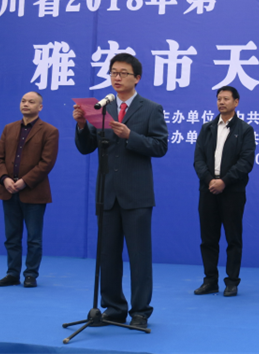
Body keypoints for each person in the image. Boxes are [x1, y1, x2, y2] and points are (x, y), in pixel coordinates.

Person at [73, 53, 168, 329]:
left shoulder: (151, 109)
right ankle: (114, 308)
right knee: (108, 255)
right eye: (113, 72)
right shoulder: (103, 108)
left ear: (137, 78)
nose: (117, 77)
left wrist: (130, 136)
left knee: (139, 257)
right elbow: (86, 147)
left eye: (123, 73)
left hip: (137, 195)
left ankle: (140, 312)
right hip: (107, 194)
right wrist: (82, 125)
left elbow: (160, 146)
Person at [193, 85, 255, 297]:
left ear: (236, 102)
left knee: (233, 238)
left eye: (226, 98)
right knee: (208, 239)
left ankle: (232, 282)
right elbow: (198, 159)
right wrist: (210, 180)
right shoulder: (207, 128)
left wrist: (224, 181)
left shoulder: (245, 130)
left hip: (232, 192)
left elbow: (246, 162)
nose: (221, 102)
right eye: (219, 98)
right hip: (208, 190)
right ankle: (210, 280)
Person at [0, 91, 59, 288]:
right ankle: (12, 273)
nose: (26, 104)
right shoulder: (9, 128)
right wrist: (4, 179)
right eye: (23, 101)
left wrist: (24, 182)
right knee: (12, 237)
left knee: (34, 239)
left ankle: (30, 274)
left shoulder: (49, 131)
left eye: (31, 102)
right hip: (8, 191)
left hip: (34, 192)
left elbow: (46, 163)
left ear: (40, 107)